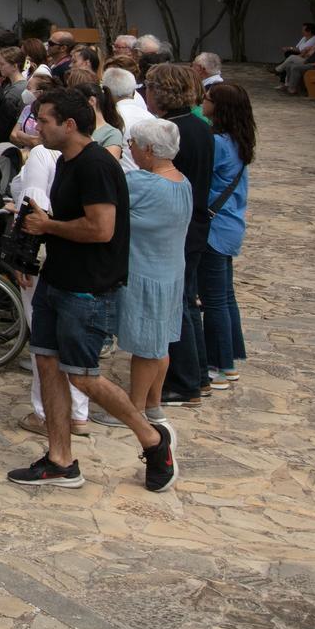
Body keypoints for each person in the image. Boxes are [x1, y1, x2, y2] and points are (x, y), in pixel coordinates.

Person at [6, 91, 176, 493]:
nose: (36, 127)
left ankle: (153, 440)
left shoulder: (95, 165)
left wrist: (47, 227)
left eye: (44, 120)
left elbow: (102, 229)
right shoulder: (66, 161)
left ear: (69, 124)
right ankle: (60, 459)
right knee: (46, 364)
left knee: (83, 376)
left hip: (87, 289)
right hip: (58, 278)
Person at [105, 118, 190, 428]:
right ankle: (153, 403)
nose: (131, 150)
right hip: (170, 271)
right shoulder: (182, 182)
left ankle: (135, 407)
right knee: (160, 341)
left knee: (146, 346)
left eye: (134, 145)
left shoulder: (142, 183)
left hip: (145, 273)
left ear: (149, 150)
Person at [146, 62, 215, 409]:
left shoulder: (172, 130)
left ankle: (186, 380)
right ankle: (198, 375)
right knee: (188, 302)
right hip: (196, 221)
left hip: (181, 227)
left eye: (151, 87)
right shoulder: (199, 126)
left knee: (180, 305)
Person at [201, 82, 253, 390]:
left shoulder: (218, 143)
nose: (202, 102)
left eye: (207, 99)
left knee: (214, 299)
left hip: (215, 227)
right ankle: (230, 356)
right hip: (230, 223)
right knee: (225, 296)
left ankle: (222, 366)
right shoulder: (239, 139)